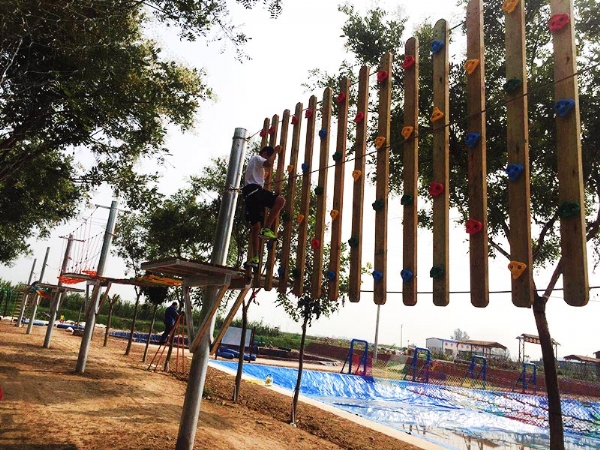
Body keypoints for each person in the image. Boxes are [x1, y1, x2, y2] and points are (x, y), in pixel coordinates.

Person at [242, 145, 285, 267]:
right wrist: (275, 152)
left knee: (256, 227)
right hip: (255, 191)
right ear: (265, 153)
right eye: (269, 155)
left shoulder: (254, 166)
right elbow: (269, 163)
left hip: (248, 195)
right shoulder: (257, 158)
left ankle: (255, 257)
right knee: (280, 201)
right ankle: (266, 228)